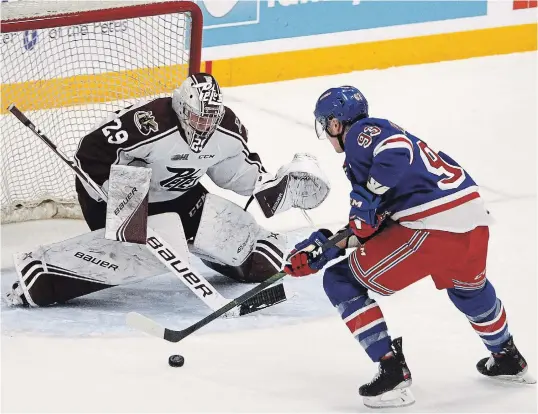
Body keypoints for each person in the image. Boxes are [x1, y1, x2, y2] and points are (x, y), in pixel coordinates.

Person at [284, 86, 535, 408]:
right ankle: (508, 358)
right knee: (469, 290)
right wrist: (327, 248)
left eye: (326, 124)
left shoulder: (364, 132)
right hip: (473, 222)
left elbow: (395, 149)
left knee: (340, 280)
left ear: (335, 124)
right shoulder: (373, 155)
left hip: (432, 227)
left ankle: (392, 373)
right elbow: (371, 225)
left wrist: (371, 194)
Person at [5, 73, 329, 307]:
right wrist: (119, 197)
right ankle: (43, 273)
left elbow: (234, 173)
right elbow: (90, 151)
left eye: (209, 119)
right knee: (145, 257)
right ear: (180, 105)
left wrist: (273, 187)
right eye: (197, 117)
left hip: (181, 197)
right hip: (127, 195)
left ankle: (199, 247)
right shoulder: (148, 122)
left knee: (261, 259)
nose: (203, 125)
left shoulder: (227, 129)